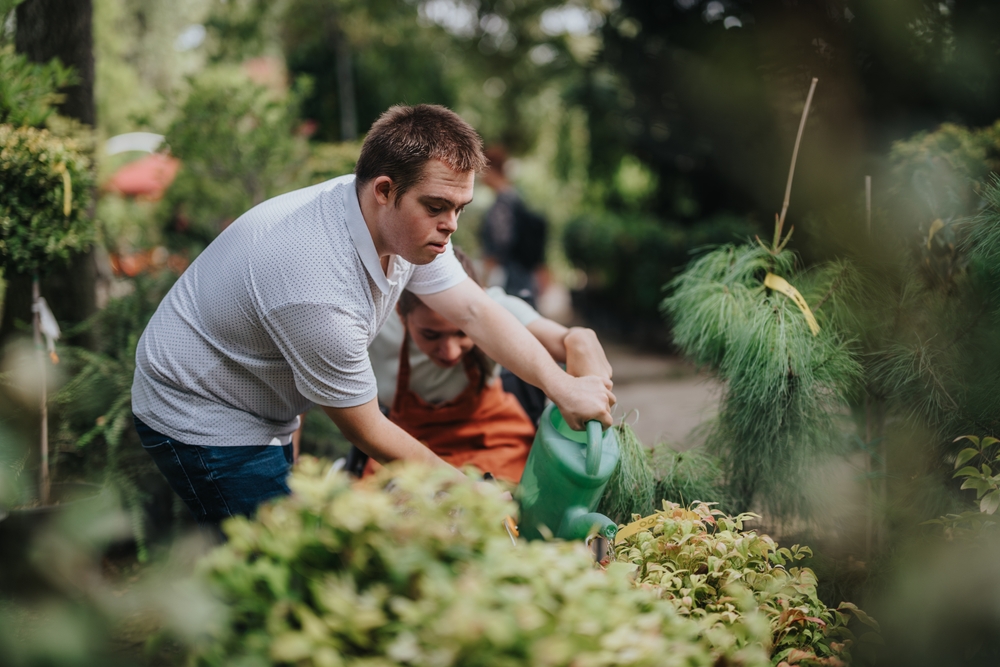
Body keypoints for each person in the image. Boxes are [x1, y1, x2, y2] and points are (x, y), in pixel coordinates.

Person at [131, 104, 614, 526]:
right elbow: (366, 428)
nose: (451, 225)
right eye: (438, 207)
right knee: (272, 558)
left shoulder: (399, 222)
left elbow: (473, 309)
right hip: (202, 408)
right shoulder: (316, 286)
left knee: (285, 532)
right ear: (384, 189)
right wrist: (470, 490)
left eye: (460, 208)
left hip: (259, 393)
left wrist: (562, 386)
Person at [355, 247, 611, 484]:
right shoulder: (375, 322)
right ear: (401, 314)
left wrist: (580, 341)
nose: (450, 351)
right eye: (431, 335)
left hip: (491, 440)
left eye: (462, 333)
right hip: (406, 445)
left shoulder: (491, 307)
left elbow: (565, 340)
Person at [478, 145, 549, 304]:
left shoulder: (502, 203)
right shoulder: (515, 196)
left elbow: (501, 240)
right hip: (524, 272)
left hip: (511, 273)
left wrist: (486, 272)